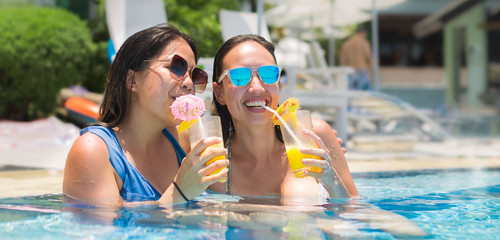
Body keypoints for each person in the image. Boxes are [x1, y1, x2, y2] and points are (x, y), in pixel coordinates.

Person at [63, 24, 229, 205]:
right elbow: (105, 230)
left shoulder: (178, 138)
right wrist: (180, 192)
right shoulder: (94, 150)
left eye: (195, 74)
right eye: (176, 67)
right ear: (132, 80)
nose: (189, 83)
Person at [208, 34, 359, 202]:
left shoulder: (312, 137)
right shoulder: (213, 162)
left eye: (268, 73)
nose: (257, 88)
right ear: (219, 93)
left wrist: (332, 181)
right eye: (240, 76)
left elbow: (354, 213)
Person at [340, 26, 372, 90]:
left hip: (350, 71)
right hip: (362, 69)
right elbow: (369, 58)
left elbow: (343, 61)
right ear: (363, 33)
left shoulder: (346, 43)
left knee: (351, 94)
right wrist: (371, 73)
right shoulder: (364, 43)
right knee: (365, 95)